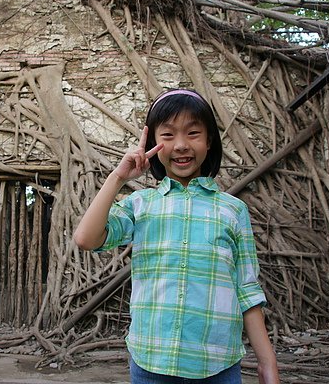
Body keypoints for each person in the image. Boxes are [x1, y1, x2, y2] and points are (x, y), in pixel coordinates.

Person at [73, 89, 280, 383]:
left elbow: (246, 290)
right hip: (150, 362)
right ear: (155, 143)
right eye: (168, 136)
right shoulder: (140, 205)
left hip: (217, 365)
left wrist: (267, 362)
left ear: (209, 142)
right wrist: (117, 177)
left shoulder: (233, 211)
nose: (181, 145)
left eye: (193, 133)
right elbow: (86, 239)